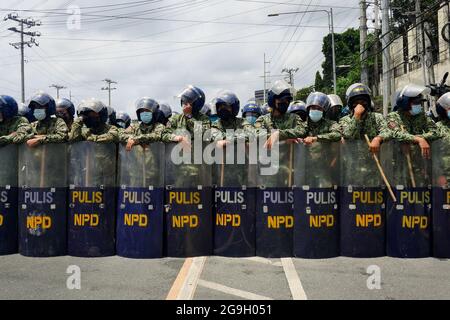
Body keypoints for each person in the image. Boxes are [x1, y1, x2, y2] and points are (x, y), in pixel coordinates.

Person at [386, 84, 439, 159]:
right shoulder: (393, 116)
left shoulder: (422, 115)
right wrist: (417, 139)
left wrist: (421, 138)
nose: (419, 105)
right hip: (399, 159)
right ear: (405, 103)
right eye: (416, 102)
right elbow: (396, 134)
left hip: (420, 157)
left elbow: (435, 132)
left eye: (420, 103)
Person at [340, 83, 391, 153]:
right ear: (351, 105)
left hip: (372, 159)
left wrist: (378, 139)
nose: (360, 105)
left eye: (363, 102)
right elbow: (348, 136)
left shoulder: (377, 117)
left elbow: (387, 131)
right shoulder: (345, 120)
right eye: (356, 103)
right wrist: (356, 116)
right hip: (353, 161)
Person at [254, 80, 305, 149]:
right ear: (272, 101)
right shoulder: (263, 120)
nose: (286, 102)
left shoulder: (294, 118)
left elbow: (302, 131)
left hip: (291, 158)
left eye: (288, 100)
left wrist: (279, 134)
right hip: (270, 158)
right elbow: (258, 135)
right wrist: (284, 140)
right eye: (282, 100)